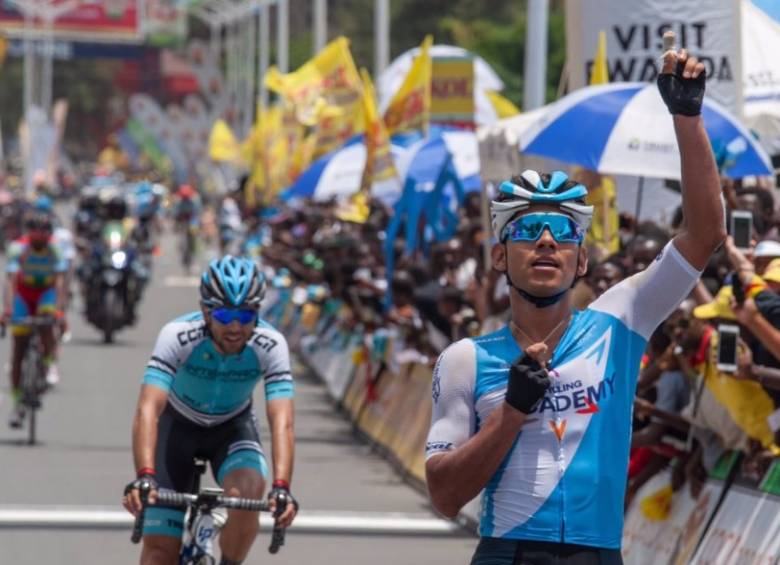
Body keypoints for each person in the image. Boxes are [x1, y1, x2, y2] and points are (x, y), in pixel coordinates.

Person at [425, 48, 725, 563]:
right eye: (526, 230)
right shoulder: (466, 359)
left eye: (562, 231)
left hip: (598, 552)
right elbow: (445, 495)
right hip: (509, 552)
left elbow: (705, 235)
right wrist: (511, 412)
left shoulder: (621, 319)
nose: (546, 241)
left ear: (582, 259)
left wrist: (687, 119)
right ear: (499, 255)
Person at [122, 256, 298, 565]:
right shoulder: (177, 335)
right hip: (176, 428)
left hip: (231, 428)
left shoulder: (271, 344)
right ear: (206, 312)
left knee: (249, 492)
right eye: (224, 314)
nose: (235, 326)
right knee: (160, 554)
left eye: (245, 315)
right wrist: (144, 476)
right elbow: (148, 409)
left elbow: (282, 420)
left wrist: (282, 487)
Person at [1, 212, 68, 427]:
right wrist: (8, 310)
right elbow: (11, 281)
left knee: (47, 323)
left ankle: (49, 364)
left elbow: (59, 282)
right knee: (18, 350)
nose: (39, 236)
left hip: (45, 293)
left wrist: (59, 310)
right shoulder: (18, 249)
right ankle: (17, 404)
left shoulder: (55, 249)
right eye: (35, 231)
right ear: (28, 232)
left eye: (44, 232)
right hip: (23, 294)